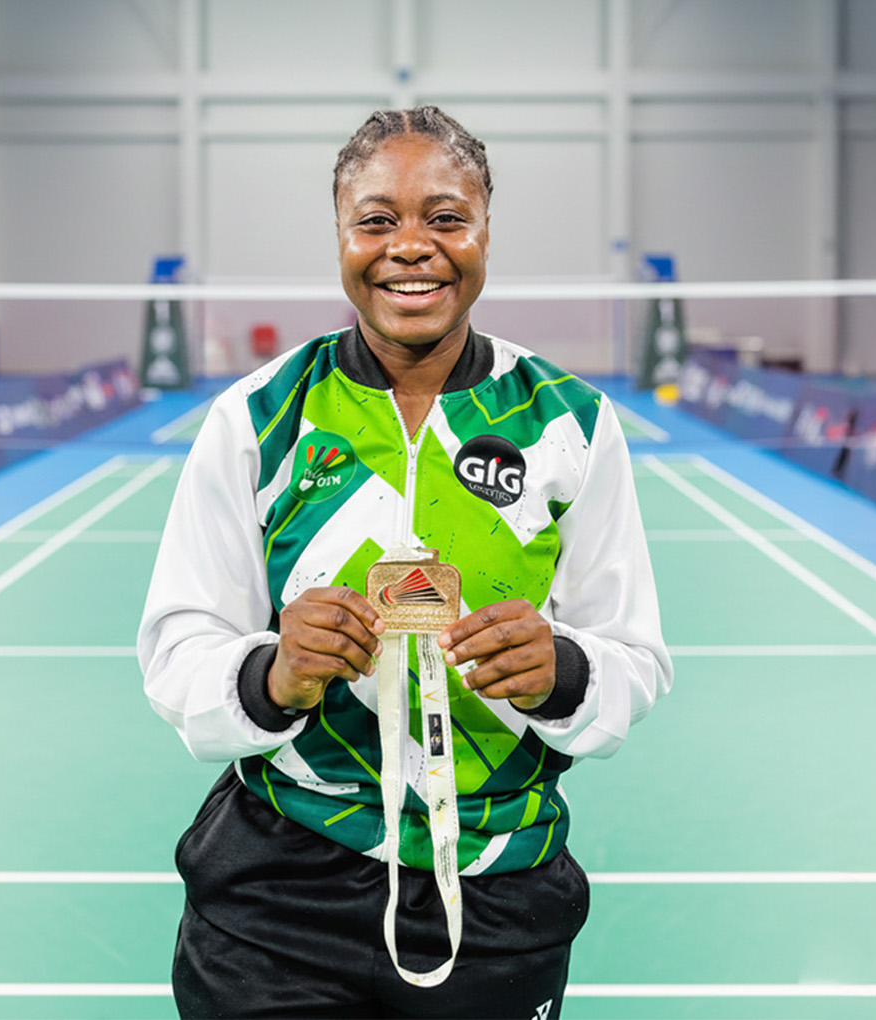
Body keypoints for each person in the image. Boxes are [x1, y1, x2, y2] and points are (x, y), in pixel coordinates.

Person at [138, 106, 672, 1019]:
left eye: (446, 218)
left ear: (486, 234)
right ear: (341, 237)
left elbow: (635, 659)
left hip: (501, 891)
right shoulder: (261, 417)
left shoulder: (567, 423)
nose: (410, 248)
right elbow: (179, 649)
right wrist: (274, 673)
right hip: (280, 893)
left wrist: (564, 674)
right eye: (376, 220)